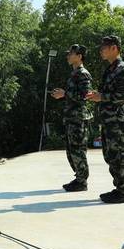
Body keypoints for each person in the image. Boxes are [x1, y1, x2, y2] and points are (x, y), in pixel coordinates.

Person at [86, 35, 124, 204]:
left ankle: (123, 192)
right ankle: (118, 188)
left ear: (114, 48)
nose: (101, 50)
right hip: (108, 119)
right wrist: (97, 96)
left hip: (117, 120)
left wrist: (102, 97)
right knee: (110, 155)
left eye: (104, 47)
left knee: (118, 154)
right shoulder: (110, 69)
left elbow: (123, 95)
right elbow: (107, 93)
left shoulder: (122, 68)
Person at [51, 44, 92, 192]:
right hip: (71, 118)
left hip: (78, 118)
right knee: (71, 151)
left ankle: (82, 181)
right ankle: (79, 178)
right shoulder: (74, 73)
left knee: (77, 150)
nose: (68, 56)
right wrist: (62, 95)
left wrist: (65, 94)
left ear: (79, 56)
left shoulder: (83, 74)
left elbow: (85, 96)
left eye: (71, 53)